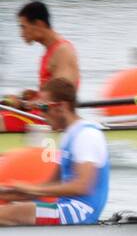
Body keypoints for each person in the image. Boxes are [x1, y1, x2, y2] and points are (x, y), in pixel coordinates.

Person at [0, 77, 109, 225]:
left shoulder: (86, 135)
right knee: (9, 209)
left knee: (6, 213)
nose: (41, 114)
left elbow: (82, 186)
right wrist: (8, 192)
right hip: (65, 208)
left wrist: (32, 189)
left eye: (44, 108)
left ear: (61, 107)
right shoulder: (68, 135)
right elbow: (48, 185)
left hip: (80, 213)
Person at [3, 1, 79, 132]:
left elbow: (61, 98)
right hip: (44, 114)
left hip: (52, 120)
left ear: (39, 24)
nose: (21, 33)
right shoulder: (50, 50)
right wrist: (34, 96)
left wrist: (22, 104)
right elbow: (51, 93)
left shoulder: (62, 51)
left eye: (23, 27)